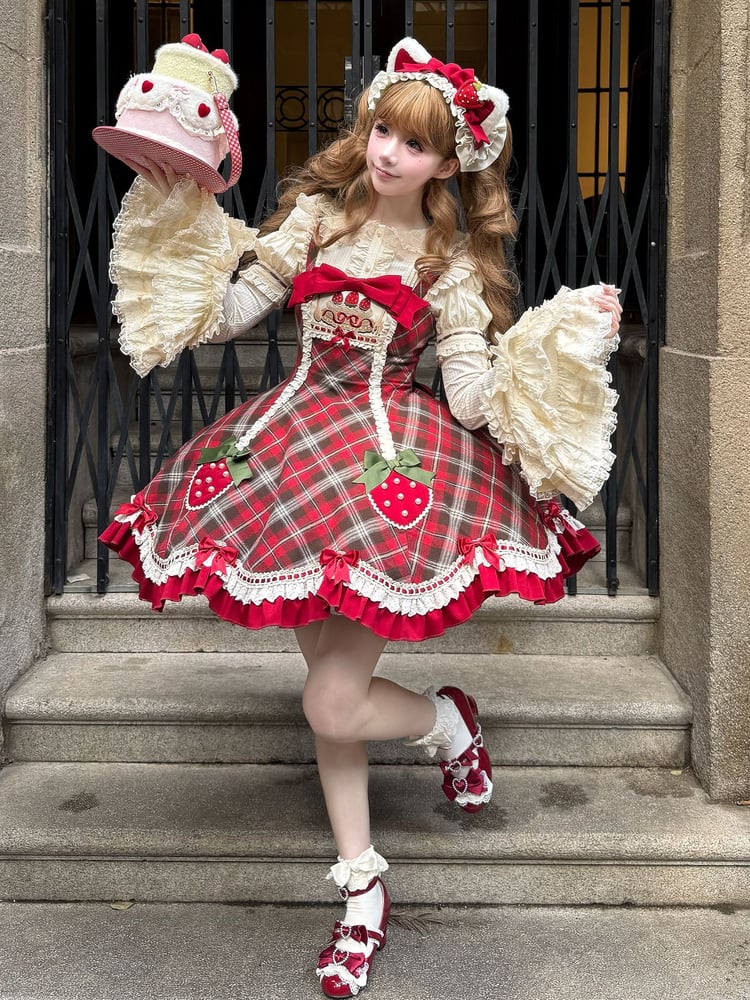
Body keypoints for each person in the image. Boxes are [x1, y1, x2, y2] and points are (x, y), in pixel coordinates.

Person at [101, 36, 621, 998]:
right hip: (284, 460)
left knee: (331, 700)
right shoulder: (311, 219)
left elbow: (465, 393)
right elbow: (226, 317)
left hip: (385, 472)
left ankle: (445, 724)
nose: (387, 153)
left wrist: (549, 358)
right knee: (327, 694)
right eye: (382, 129)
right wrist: (176, 216)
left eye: (413, 144)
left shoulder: (451, 262)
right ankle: (362, 888)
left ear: (448, 161)